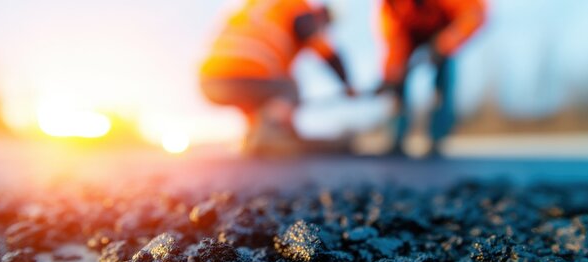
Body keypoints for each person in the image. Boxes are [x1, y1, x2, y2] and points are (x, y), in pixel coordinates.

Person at [200, 0, 355, 154]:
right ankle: (272, 133)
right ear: (321, 16)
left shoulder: (267, 7)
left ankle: (256, 136)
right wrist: (348, 84)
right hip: (245, 69)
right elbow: (328, 54)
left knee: (264, 97)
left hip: (209, 80)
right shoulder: (303, 11)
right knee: (288, 88)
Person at [377, 0, 486, 156]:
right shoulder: (390, 6)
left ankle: (437, 138)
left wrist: (446, 43)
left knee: (444, 75)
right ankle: (397, 136)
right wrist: (392, 74)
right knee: (398, 82)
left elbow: (475, 14)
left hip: (444, 30)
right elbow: (393, 39)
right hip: (409, 34)